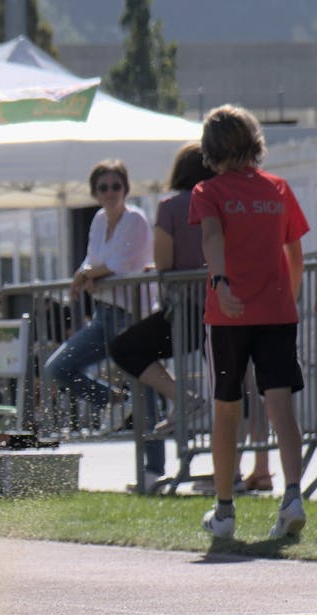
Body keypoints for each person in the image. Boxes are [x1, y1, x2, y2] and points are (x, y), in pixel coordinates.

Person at [192, 105, 309, 540]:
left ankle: (225, 512)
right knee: (281, 406)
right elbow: (295, 254)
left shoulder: (209, 190)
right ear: (254, 142)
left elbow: (212, 236)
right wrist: (288, 299)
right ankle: (293, 495)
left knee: (227, 409)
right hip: (277, 313)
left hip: (228, 315)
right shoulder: (277, 188)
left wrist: (221, 281)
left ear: (211, 149)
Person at [107, 143, 216, 493]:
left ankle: (180, 396)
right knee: (234, 388)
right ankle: (234, 471)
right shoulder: (222, 199)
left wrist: (165, 268)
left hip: (186, 308)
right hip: (225, 306)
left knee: (125, 347)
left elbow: (165, 262)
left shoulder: (171, 205)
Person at [44, 159, 153, 424]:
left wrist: (86, 274)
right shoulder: (99, 219)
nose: (110, 192)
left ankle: (154, 464)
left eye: (116, 186)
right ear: (95, 192)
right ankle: (115, 401)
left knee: (144, 388)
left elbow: (120, 264)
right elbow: (92, 261)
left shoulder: (135, 218)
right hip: (104, 316)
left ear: (125, 188)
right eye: (103, 187)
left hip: (133, 315)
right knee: (57, 368)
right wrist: (88, 273)